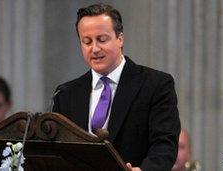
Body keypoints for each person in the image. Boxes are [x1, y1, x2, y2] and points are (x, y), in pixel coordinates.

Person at [53, 3, 181, 171]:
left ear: (120, 38)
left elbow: (164, 144)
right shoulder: (66, 93)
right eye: (87, 41)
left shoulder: (155, 84)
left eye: (102, 39)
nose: (95, 49)